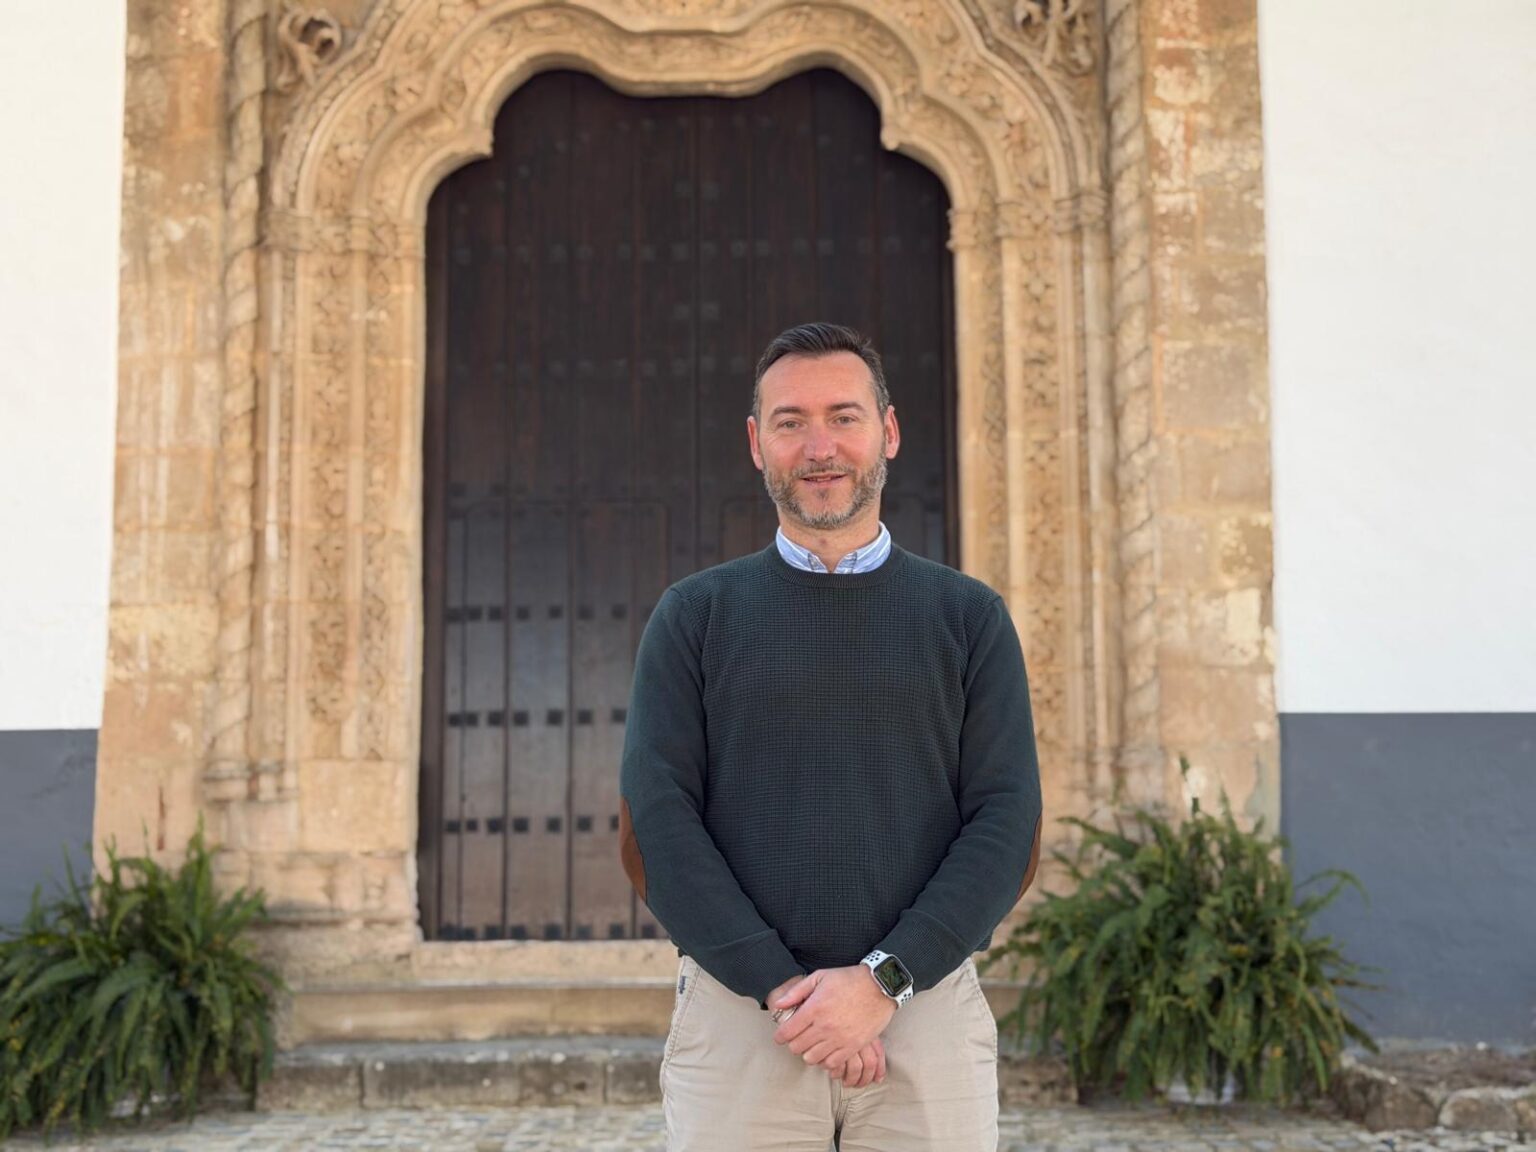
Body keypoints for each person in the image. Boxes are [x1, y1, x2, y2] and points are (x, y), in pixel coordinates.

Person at [618, 322, 1042, 1151]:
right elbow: (658, 826)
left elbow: (1005, 821)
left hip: (924, 1023)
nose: (820, 446)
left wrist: (884, 982)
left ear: (886, 430)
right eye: (790, 422)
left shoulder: (968, 618)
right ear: (755, 443)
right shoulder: (695, 617)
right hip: (745, 1027)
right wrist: (787, 992)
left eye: (843, 417)